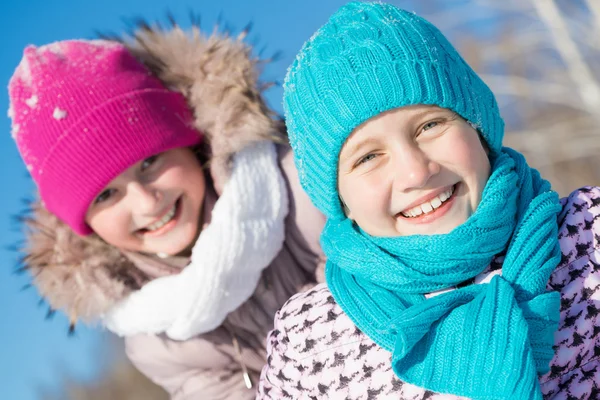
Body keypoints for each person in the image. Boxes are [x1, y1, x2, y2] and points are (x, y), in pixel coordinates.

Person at [258, 2, 600, 399]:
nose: (416, 173)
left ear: (479, 128)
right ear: (339, 199)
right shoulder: (309, 341)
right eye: (368, 157)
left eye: (430, 125)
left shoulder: (589, 235)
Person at [8, 23, 325, 400]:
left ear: (188, 142)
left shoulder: (299, 190)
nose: (145, 202)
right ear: (86, 225)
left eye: (151, 162)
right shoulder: (155, 338)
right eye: (107, 194)